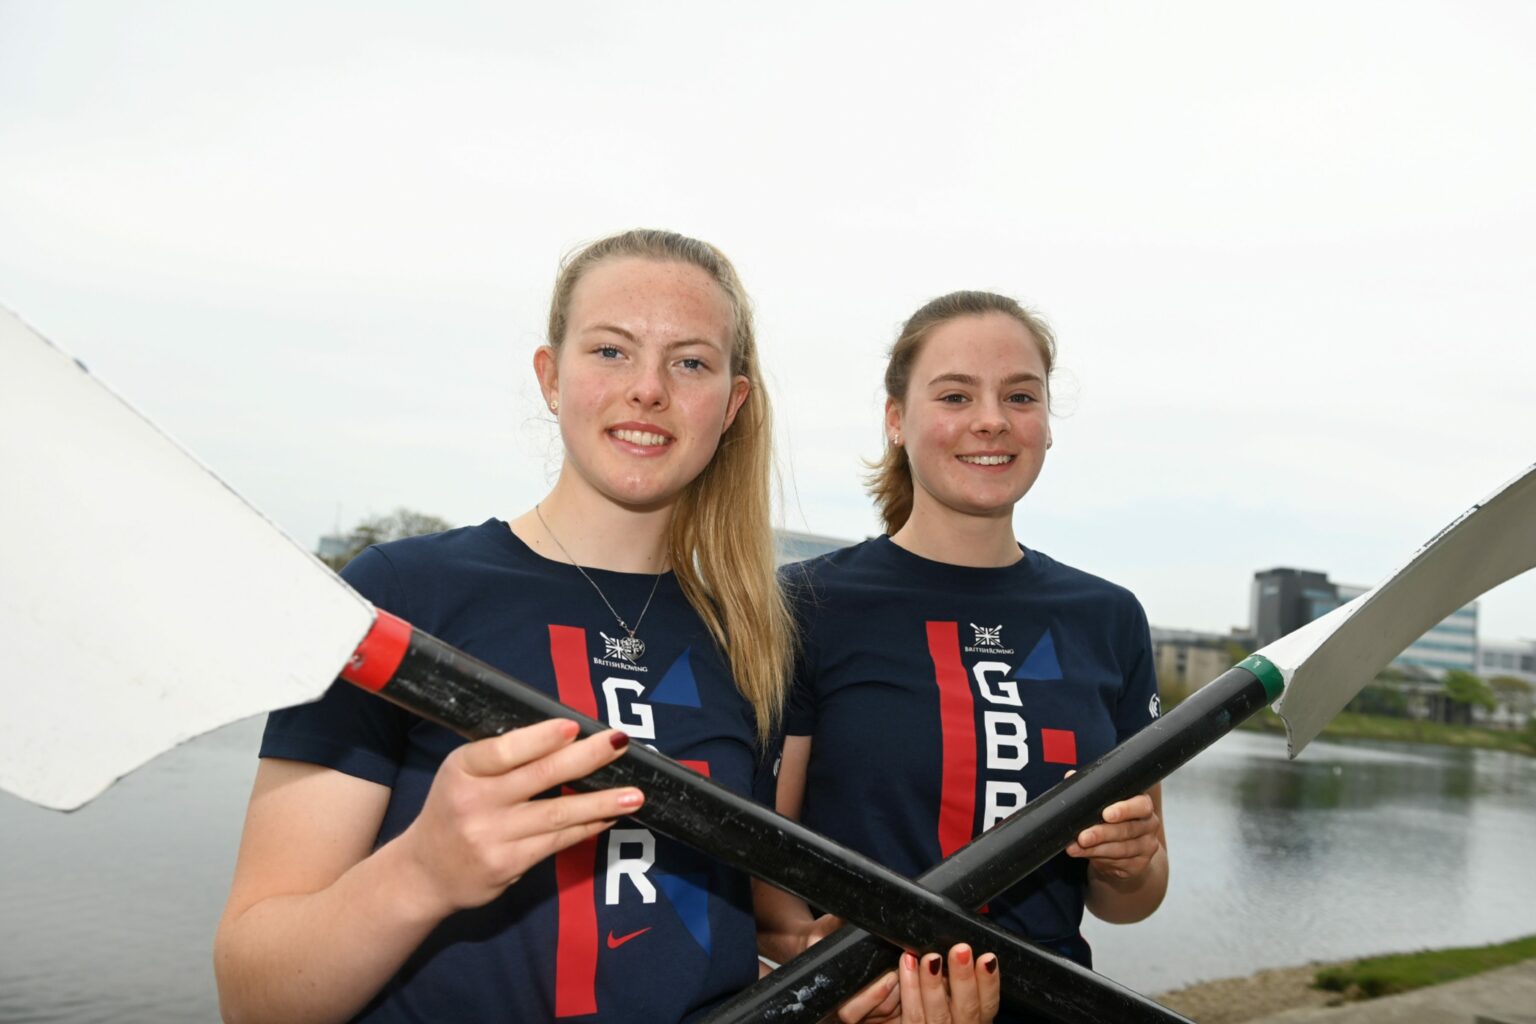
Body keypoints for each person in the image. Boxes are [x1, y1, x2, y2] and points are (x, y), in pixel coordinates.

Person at [215, 230, 995, 1024]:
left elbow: (728, 946)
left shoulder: (758, 640)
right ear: (551, 378)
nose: (648, 389)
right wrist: (419, 872)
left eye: (689, 362)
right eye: (612, 351)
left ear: (731, 404)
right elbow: (254, 997)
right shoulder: (400, 594)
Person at [757, 291, 1168, 1024]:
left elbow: (1128, 901)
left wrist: (1129, 861)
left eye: (1020, 395)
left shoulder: (1109, 618)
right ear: (895, 420)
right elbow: (761, 853)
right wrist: (822, 960)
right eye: (955, 394)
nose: (991, 419)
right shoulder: (809, 603)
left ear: (1045, 424)